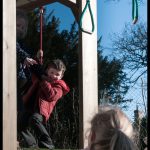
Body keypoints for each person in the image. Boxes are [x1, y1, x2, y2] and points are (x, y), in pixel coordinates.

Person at [18, 59, 70, 149]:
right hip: (29, 106)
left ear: (61, 76)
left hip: (41, 110)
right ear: (47, 71)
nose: (54, 76)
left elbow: (51, 95)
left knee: (34, 119)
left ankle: (47, 142)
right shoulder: (41, 77)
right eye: (52, 72)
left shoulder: (60, 86)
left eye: (57, 74)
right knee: (20, 125)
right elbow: (34, 73)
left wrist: (44, 81)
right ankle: (32, 145)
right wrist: (38, 61)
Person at [16, 9, 38, 112]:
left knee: (20, 106)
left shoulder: (22, 44)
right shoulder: (9, 39)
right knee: (18, 106)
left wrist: (42, 74)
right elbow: (15, 48)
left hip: (22, 78)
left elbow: (29, 57)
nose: (20, 29)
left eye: (23, 27)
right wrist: (24, 57)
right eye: (18, 25)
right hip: (14, 76)